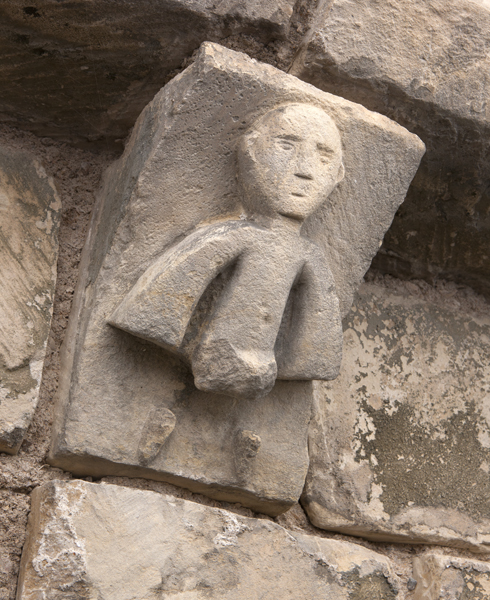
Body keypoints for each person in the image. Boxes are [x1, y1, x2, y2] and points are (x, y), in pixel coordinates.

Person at [109, 103, 345, 399]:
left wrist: (305, 360)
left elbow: (318, 344)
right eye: (286, 146)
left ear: (338, 175)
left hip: (264, 371)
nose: (305, 171)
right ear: (250, 151)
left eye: (324, 158)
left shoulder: (311, 258)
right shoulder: (230, 236)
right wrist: (161, 321)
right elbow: (155, 308)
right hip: (209, 357)